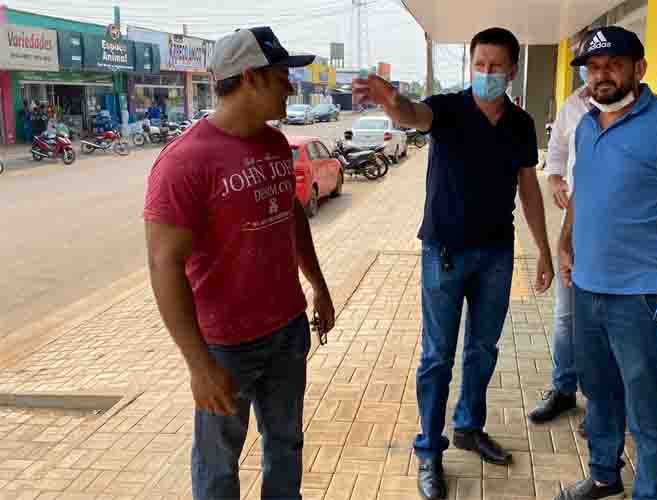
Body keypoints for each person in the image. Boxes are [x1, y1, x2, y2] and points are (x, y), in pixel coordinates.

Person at [354, 27, 554, 500]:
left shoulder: (520, 124)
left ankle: (468, 426)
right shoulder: (447, 109)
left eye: (496, 66)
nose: (486, 73)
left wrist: (543, 249)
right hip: (444, 253)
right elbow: (413, 114)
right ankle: (429, 449)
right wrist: (392, 103)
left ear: (512, 70)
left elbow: (528, 188)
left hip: (496, 254)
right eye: (479, 64)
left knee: (483, 350)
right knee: (437, 356)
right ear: (470, 65)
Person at [144, 27, 335, 500]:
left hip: (287, 330)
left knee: (286, 444)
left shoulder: (275, 144)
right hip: (226, 347)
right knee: (218, 466)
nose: (291, 85)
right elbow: (164, 265)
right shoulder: (184, 162)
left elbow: (291, 216)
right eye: (281, 74)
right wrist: (198, 365)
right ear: (250, 77)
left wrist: (317, 285)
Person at [555, 26, 657, 500]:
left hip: (642, 296)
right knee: (599, 394)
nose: (601, 75)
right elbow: (582, 192)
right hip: (588, 288)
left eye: (613, 65)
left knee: (647, 409)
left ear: (639, 68)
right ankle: (605, 477)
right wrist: (565, 242)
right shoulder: (586, 125)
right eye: (593, 67)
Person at [528, 28, 592, 428]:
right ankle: (563, 389)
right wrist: (554, 179)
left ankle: (602, 403)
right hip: (576, 224)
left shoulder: (644, 113)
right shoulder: (572, 105)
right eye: (587, 63)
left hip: (616, 235)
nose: (595, 72)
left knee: (603, 321)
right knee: (567, 316)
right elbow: (558, 151)